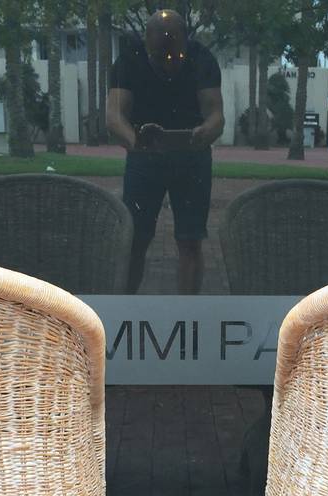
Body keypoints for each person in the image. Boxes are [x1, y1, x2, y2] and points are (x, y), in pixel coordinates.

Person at [106, 10, 223, 294]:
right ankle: (126, 311)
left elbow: (216, 116)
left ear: (185, 41)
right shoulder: (129, 60)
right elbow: (113, 118)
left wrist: (204, 132)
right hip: (144, 157)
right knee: (135, 239)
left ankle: (187, 316)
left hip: (192, 157)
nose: (168, 61)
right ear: (146, 41)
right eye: (160, 54)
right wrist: (136, 142)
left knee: (190, 240)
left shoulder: (202, 58)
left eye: (174, 54)